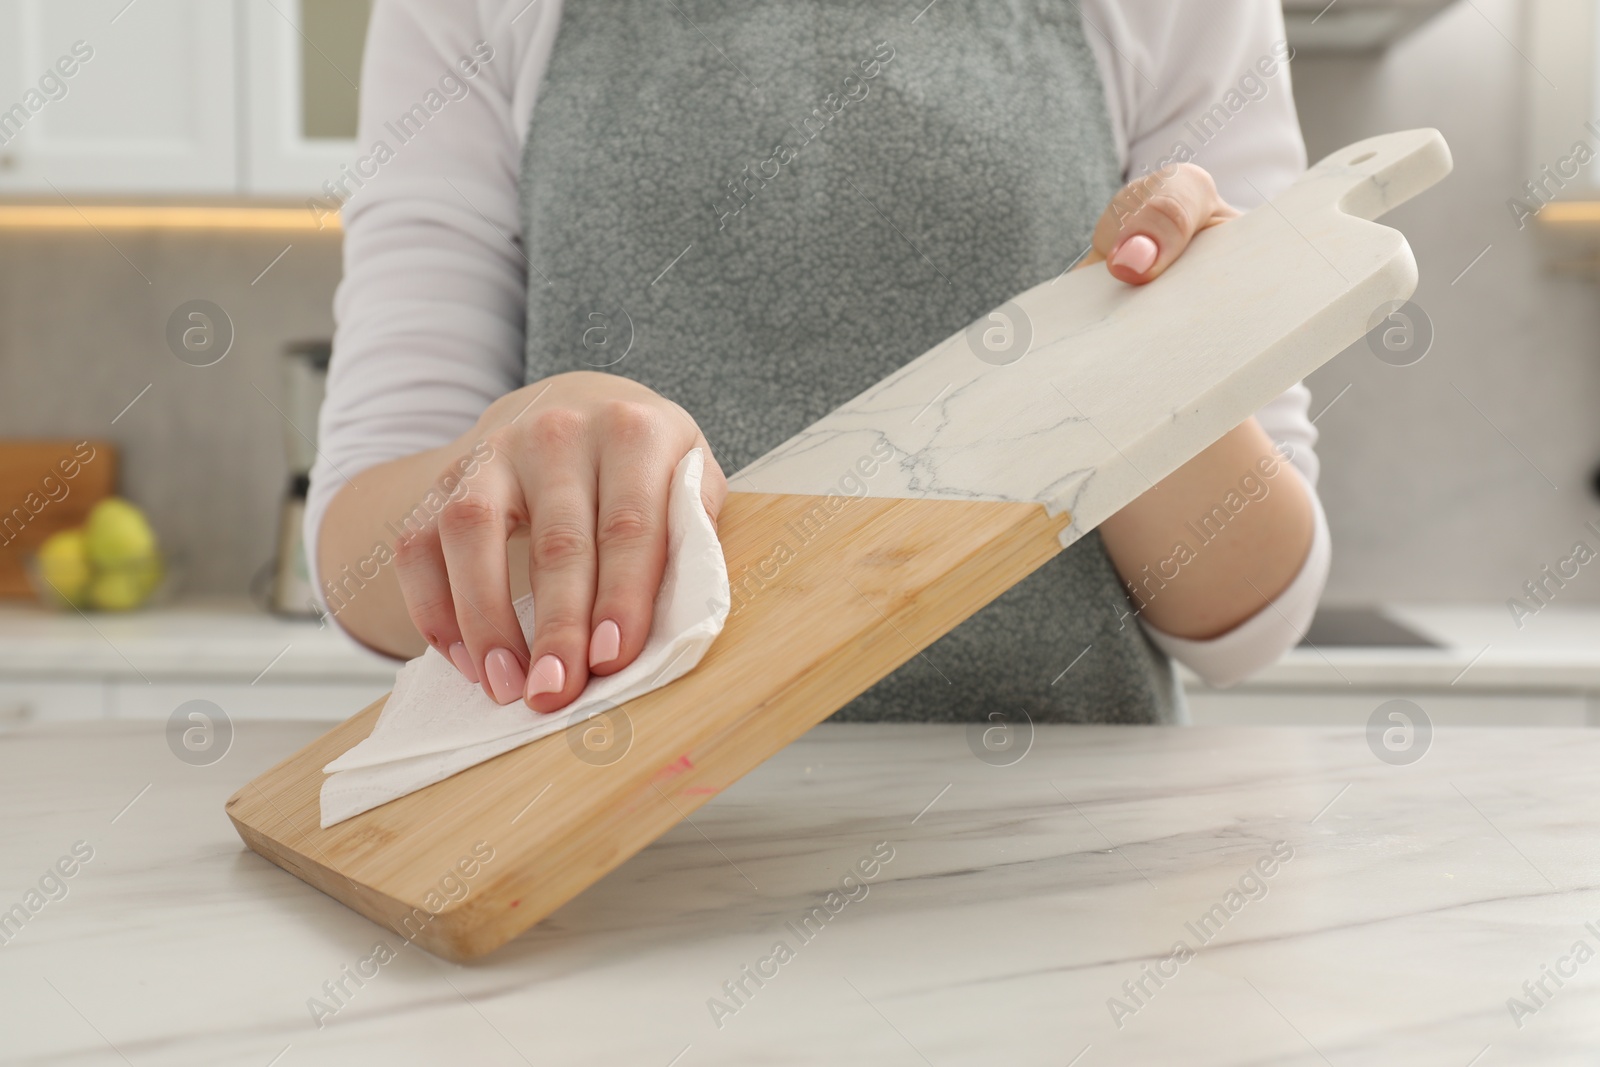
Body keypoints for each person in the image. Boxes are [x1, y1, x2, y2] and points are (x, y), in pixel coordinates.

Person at [309, 0, 1329, 725]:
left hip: (1064, 884)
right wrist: (518, 456)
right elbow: (361, 564)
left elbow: (1243, 619)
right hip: (607, 874)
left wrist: (1145, 364)